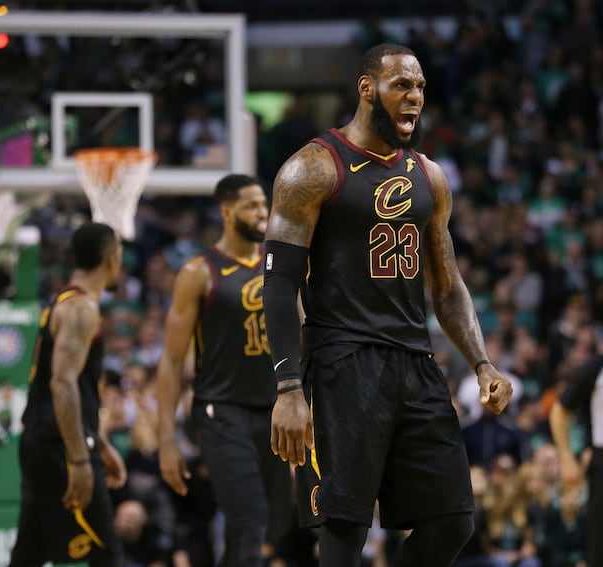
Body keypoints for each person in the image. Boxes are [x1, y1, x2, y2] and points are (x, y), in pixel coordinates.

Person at [262, 43, 514, 567]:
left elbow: (447, 285)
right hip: (342, 363)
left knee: (453, 522)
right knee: (343, 533)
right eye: (402, 85)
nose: (414, 97)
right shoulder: (311, 168)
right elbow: (280, 284)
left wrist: (482, 362)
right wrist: (288, 388)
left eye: (420, 87)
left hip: (414, 362)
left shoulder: (430, 176)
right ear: (367, 88)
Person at [157, 174, 291, 566]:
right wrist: (167, 440)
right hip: (221, 411)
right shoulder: (199, 271)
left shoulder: (279, 262)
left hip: (274, 411)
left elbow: (304, 330)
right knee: (249, 521)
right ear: (226, 211)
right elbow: (169, 359)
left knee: (272, 531)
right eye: (250, 205)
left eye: (263, 203)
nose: (261, 212)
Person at [9, 222, 128, 567]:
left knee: (29, 554)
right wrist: (79, 458)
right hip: (57, 447)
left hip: (45, 442)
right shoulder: (80, 310)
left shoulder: (65, 300)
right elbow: (61, 384)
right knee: (107, 556)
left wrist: (99, 444)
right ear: (111, 259)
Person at [549, 353, 602, 567]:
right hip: (601, 462)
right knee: (599, 544)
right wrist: (567, 459)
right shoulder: (596, 367)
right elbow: (560, 410)